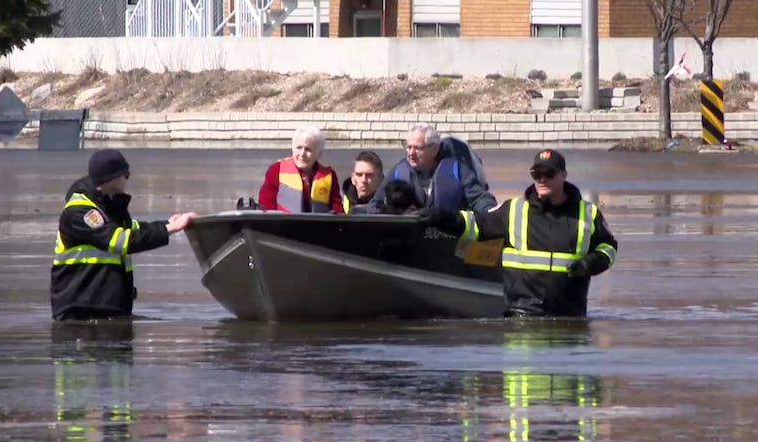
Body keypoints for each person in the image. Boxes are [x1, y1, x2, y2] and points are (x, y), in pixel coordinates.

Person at [420, 149, 617, 317]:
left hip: (570, 318)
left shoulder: (587, 213)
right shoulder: (514, 210)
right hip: (521, 317)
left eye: (548, 174)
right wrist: (442, 218)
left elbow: (608, 247)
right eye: (536, 174)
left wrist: (589, 264)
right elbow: (474, 225)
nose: (542, 179)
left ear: (563, 175)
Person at [51, 149, 197, 321]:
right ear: (114, 177)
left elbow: (131, 229)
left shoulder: (107, 207)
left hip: (106, 309)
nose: (127, 179)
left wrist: (167, 224)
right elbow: (121, 241)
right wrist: (170, 230)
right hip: (81, 313)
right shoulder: (80, 211)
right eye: (126, 175)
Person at [368, 123, 496, 214]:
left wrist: (491, 210)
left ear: (434, 149)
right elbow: (375, 205)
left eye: (417, 148)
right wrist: (397, 212)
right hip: (411, 237)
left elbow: (479, 198)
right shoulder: (398, 171)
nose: (411, 153)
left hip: (447, 235)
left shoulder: (457, 169)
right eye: (408, 147)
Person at [258, 126, 343, 213]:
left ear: (318, 154)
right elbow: (265, 208)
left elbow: (337, 211)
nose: (302, 153)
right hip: (284, 225)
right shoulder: (276, 170)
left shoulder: (329, 176)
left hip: (318, 225)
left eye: (308, 149)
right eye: (299, 148)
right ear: (292, 149)